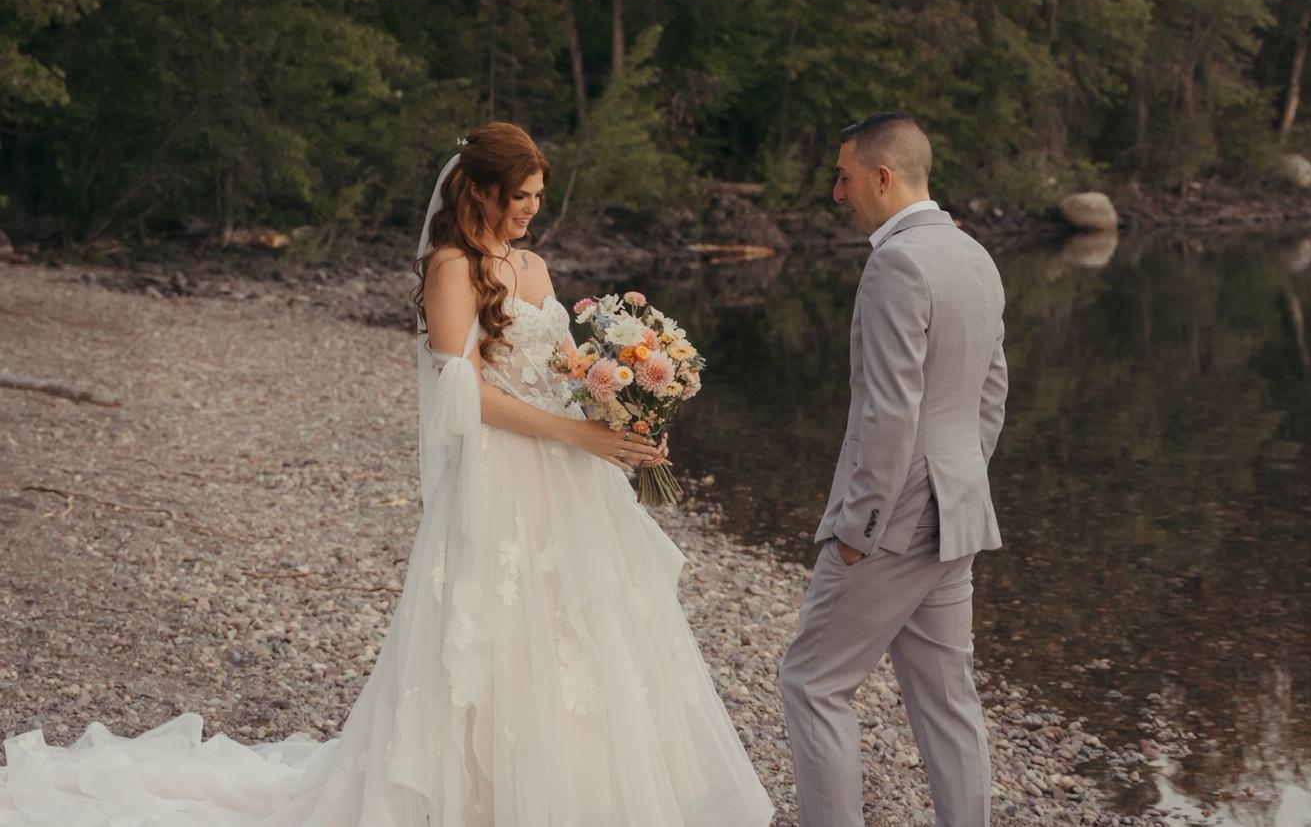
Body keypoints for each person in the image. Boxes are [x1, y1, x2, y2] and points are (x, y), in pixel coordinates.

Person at [0, 121, 774, 827]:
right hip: (502, 477)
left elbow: (566, 372)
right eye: (522, 197)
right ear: (483, 191)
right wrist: (580, 433)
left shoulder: (534, 265)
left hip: (568, 476)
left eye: (540, 197)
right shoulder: (451, 267)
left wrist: (625, 420)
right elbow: (464, 394)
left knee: (583, 630)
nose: (533, 211)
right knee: (496, 633)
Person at [779, 112, 1008, 827]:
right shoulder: (974, 254)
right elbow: (992, 392)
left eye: (843, 177)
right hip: (957, 512)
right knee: (947, 700)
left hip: (893, 521)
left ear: (882, 176)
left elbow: (889, 409)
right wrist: (960, 481)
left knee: (813, 683)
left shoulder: (896, 263)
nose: (837, 193)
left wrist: (862, 527)